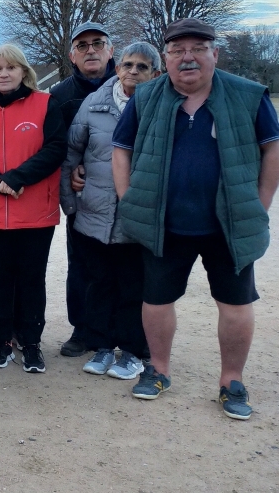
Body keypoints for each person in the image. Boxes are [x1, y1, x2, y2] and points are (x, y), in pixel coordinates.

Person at [112, 18, 279, 420]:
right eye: (177, 50)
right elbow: (121, 149)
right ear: (165, 58)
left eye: (198, 49)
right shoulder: (147, 96)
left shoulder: (248, 95)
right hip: (164, 223)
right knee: (156, 301)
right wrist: (129, 198)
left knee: (236, 304)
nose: (188, 57)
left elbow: (272, 150)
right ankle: (159, 369)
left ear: (214, 54)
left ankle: (231, 380)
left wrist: (259, 204)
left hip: (228, 225)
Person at [0, 44, 67, 373]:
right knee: (2, 278)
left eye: (10, 68)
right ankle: (2, 340)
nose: (3, 74)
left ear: (24, 72)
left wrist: (18, 178)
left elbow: (55, 148)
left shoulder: (46, 104)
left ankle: (31, 343)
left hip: (34, 211)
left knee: (32, 278)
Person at [61, 42, 160, 381]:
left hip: (137, 218)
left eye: (142, 67)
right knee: (99, 283)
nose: (133, 71)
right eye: (128, 65)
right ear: (117, 68)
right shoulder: (93, 104)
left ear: (155, 74)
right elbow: (72, 154)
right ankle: (102, 345)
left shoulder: (160, 108)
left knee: (133, 286)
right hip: (94, 214)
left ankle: (131, 351)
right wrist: (70, 204)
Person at [50, 22, 117, 358]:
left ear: (111, 50)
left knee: (129, 268)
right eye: (83, 45)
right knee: (82, 267)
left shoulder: (136, 85)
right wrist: (72, 177)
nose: (91, 50)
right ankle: (83, 329)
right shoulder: (60, 95)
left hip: (127, 197)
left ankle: (126, 333)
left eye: (97, 43)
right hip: (84, 198)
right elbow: (58, 147)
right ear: (72, 55)